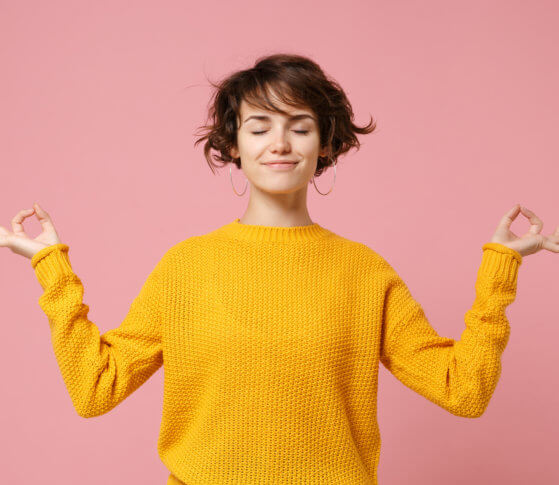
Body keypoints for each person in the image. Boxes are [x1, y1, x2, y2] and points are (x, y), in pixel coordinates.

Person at [2, 53, 558, 485]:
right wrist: (51, 269)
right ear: (233, 145)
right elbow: (96, 388)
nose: (280, 144)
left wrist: (500, 273)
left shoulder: (363, 272)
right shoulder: (187, 267)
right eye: (259, 126)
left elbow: (464, 391)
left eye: (300, 125)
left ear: (326, 144)